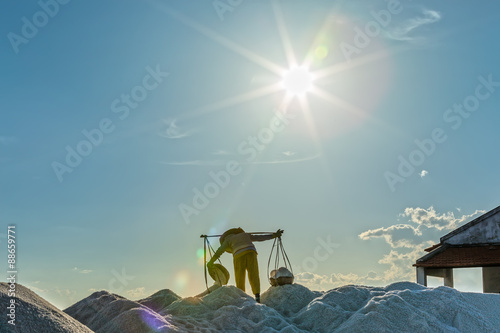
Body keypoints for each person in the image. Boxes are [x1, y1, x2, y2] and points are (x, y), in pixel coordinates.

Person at [207, 227, 283, 303]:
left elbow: (219, 251)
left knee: (239, 276)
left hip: (238, 255)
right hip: (251, 252)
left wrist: (211, 261)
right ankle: (257, 296)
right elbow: (260, 237)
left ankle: (241, 297)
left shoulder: (227, 240)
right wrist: (274, 235)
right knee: (254, 274)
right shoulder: (245, 234)